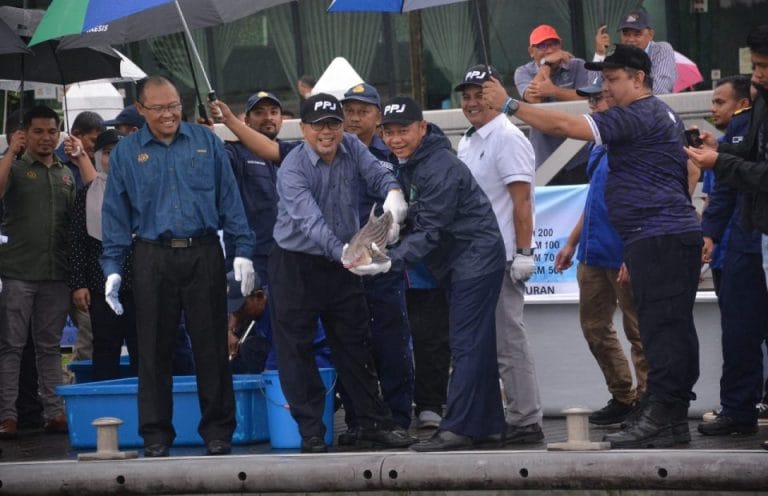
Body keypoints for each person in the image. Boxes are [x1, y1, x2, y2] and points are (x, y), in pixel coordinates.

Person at [484, 43, 702, 449]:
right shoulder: (659, 114)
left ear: (639, 79)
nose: (606, 88)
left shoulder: (640, 113)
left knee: (662, 331)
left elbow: (565, 128)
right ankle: (667, 416)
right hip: (655, 236)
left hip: (660, 236)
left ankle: (664, 413)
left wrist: (509, 105)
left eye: (614, 79)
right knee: (665, 329)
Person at [100, 76, 257, 458]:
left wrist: (243, 248)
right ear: (141, 110)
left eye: (174, 105)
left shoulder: (206, 142)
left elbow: (230, 200)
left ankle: (218, 432)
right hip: (151, 254)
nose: (170, 114)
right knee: (153, 349)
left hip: (203, 250)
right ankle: (155, 435)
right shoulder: (126, 153)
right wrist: (112, 267)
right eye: (159, 108)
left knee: (211, 346)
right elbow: (115, 215)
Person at [267, 93, 415, 453]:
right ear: (303, 129)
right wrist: (347, 254)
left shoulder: (351, 144)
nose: (327, 132)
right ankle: (311, 430)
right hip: (295, 262)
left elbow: (378, 172)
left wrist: (394, 192)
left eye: (333, 123)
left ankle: (369, 424)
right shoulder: (292, 169)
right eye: (318, 125)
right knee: (296, 349)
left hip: (343, 260)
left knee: (355, 342)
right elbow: (310, 224)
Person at [365, 96, 506, 451]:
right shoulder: (413, 161)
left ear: (422, 128)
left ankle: (456, 427)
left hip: (475, 259)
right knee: (478, 345)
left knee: (465, 344)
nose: (395, 139)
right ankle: (488, 425)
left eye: (404, 131)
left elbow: (431, 231)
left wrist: (388, 261)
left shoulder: (437, 165)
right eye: (389, 132)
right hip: (462, 261)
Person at [685, 25, 768, 451]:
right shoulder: (751, 120)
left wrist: (720, 159)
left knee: (742, 329)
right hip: (747, 236)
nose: (758, 75)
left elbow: (733, 182)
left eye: (763, 67)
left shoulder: (747, 121)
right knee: (740, 330)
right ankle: (740, 408)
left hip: (748, 240)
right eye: (754, 67)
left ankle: (740, 409)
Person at [454, 65, 544, 444]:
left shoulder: (508, 136)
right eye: (467, 95)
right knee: (485, 344)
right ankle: (500, 416)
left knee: (508, 341)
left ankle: (526, 419)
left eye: (481, 93)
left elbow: (521, 201)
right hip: (476, 258)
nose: (473, 102)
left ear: (497, 93)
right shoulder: (468, 140)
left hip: (505, 254)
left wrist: (524, 252)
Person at [553, 81, 648, 426]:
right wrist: (572, 241)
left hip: (625, 250)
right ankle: (624, 396)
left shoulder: (638, 139)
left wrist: (636, 252)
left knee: (638, 330)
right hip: (593, 250)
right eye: (590, 99)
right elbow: (593, 197)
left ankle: (647, 403)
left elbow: (678, 181)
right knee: (594, 326)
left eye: (598, 98)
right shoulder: (600, 143)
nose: (592, 105)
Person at [338, 83, 414, 436]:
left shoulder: (395, 152)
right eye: (348, 110)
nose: (354, 117)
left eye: (362, 110)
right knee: (350, 344)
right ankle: (359, 420)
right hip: (345, 263)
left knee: (392, 342)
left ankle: (398, 418)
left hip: (384, 263)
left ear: (378, 117)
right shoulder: (334, 150)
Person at [0, 105, 77, 439]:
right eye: (38, 131)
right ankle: (7, 416)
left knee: (50, 347)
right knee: (11, 346)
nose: (46, 138)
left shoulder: (65, 172)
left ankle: (55, 414)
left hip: (56, 274)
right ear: (24, 133)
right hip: (17, 271)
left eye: (51, 131)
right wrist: (8, 151)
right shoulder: (14, 167)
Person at [68, 129, 139, 381]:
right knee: (105, 350)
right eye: (108, 153)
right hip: (101, 287)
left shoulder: (145, 189)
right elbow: (77, 240)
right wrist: (78, 284)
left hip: (142, 286)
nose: (115, 158)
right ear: (97, 156)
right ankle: (106, 411)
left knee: (145, 351)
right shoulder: (87, 194)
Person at [700, 76, 753, 293]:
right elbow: (713, 196)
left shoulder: (747, 147)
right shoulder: (716, 148)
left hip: (747, 247)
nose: (713, 109)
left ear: (742, 104)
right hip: (722, 250)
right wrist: (707, 234)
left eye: (720, 103)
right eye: (713, 102)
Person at [514, 24, 590, 174]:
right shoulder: (523, 72)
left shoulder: (577, 65)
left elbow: (587, 99)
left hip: (580, 153)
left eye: (553, 44)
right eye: (542, 46)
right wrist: (546, 64)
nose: (549, 50)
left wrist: (554, 91)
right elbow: (532, 99)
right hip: (544, 155)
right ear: (531, 51)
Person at [593, 10, 677, 95]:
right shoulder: (618, 54)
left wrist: (620, 94)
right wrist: (599, 54)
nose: (630, 40)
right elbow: (593, 88)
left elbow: (659, 90)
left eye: (637, 34)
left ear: (651, 34)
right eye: (626, 34)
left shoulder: (661, 49)